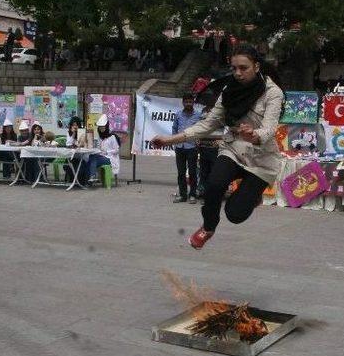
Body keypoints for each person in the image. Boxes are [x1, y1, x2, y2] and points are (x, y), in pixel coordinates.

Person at [150, 43, 284, 250]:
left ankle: (252, 196)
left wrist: (254, 135)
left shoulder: (273, 93)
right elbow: (208, 124)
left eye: (244, 68)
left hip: (261, 160)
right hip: (233, 148)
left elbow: (269, 128)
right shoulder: (228, 90)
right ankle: (208, 228)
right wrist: (170, 140)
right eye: (234, 68)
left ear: (257, 66)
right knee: (214, 184)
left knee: (235, 214)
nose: (238, 73)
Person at [171, 93, 202, 203]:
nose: (188, 103)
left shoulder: (198, 115)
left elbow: (201, 130)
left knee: (193, 172)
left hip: (192, 147)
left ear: (193, 102)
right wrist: (174, 142)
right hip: (180, 147)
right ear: (183, 102)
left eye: (190, 101)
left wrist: (198, 141)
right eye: (186, 102)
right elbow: (174, 129)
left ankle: (192, 195)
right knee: (181, 172)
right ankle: (182, 195)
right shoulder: (178, 114)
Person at [87, 114, 120, 181]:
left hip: (110, 159)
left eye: (103, 127)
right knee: (90, 158)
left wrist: (107, 152)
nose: (101, 129)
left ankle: (92, 176)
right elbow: (99, 148)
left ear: (106, 127)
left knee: (93, 159)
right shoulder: (100, 137)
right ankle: (89, 177)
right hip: (101, 156)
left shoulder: (112, 137)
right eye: (100, 127)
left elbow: (117, 150)